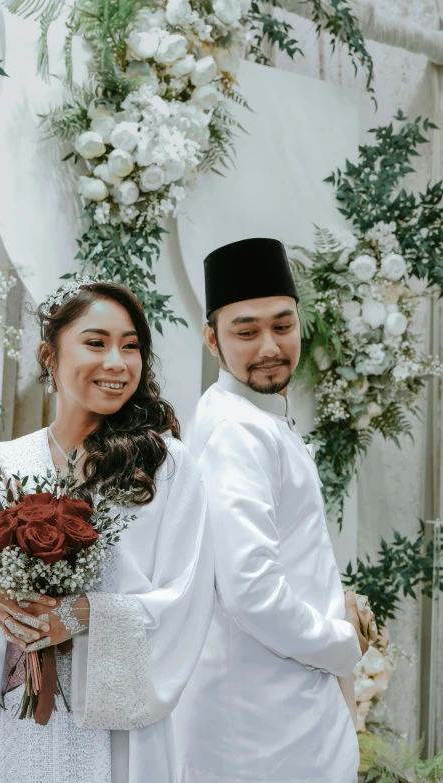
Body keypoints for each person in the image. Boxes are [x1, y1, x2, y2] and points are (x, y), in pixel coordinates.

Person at [0, 278, 213, 783]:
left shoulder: (167, 467)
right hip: (16, 716)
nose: (117, 362)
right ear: (49, 355)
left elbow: (188, 598)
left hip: (119, 730)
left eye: (131, 346)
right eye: (96, 342)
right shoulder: (0, 466)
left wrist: (83, 614)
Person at [173, 238, 368, 783]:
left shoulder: (254, 418)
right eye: (246, 330)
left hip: (278, 703)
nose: (269, 346)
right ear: (212, 339)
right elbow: (250, 589)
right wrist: (340, 644)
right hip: (263, 724)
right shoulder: (239, 432)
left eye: (282, 326)